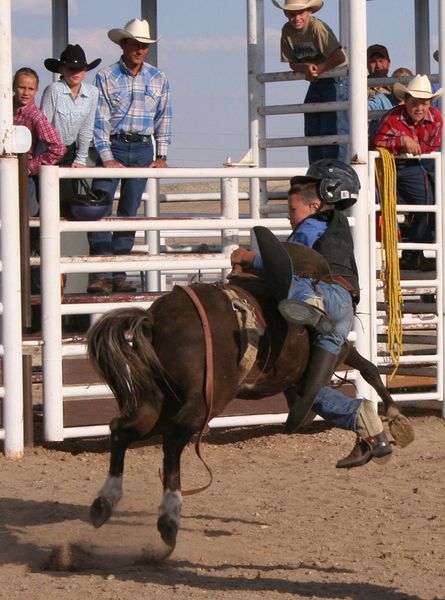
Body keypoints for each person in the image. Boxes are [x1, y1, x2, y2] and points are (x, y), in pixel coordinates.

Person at [230, 160, 393, 467]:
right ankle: (369, 430)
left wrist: (250, 258)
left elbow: (288, 264)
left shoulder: (315, 225)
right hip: (341, 315)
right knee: (308, 389)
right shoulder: (336, 226)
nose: (290, 218)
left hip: (328, 298)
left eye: (292, 210)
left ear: (319, 199)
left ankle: (309, 305)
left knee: (297, 283)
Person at [88, 18, 172, 294]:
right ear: (123, 44)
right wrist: (106, 154)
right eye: (135, 44)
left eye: (144, 46)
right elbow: (99, 120)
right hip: (113, 142)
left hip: (142, 147)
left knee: (129, 210)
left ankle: (119, 270)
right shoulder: (106, 76)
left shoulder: (158, 78)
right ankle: (101, 271)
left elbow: (163, 118)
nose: (139, 50)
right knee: (99, 206)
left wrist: (161, 154)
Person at [373, 74, 443, 271]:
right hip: (393, 168)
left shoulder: (436, 118)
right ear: (406, 101)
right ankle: (413, 251)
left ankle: (414, 251)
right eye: (415, 103)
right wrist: (402, 142)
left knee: (430, 200)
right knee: (425, 200)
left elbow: (432, 145)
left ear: (430, 103)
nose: (419, 108)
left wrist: (409, 146)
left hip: (415, 166)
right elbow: (377, 143)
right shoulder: (392, 117)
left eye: (424, 103)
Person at [272, 0, 348, 164]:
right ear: (286, 14)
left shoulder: (317, 27)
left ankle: (334, 170)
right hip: (316, 79)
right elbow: (292, 62)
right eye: (292, 13)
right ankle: (317, 172)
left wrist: (318, 69)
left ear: (310, 12)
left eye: (300, 12)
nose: (296, 17)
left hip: (335, 78)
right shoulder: (286, 31)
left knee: (332, 127)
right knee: (312, 128)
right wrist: (306, 67)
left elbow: (340, 57)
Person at [41, 44, 101, 218]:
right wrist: (51, 154)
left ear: (85, 70)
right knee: (48, 203)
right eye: (70, 68)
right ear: (62, 69)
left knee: (67, 204)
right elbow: (44, 124)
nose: (75, 72)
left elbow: (86, 127)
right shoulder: (54, 90)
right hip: (49, 152)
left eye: (80, 68)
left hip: (71, 152)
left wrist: (81, 157)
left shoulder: (92, 93)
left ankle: (43, 243)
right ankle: (36, 243)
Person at [12, 67, 65, 202]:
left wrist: (30, 167)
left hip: (22, 174)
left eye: (30, 89)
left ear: (36, 91)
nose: (25, 93)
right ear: (13, 86)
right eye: (22, 87)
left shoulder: (35, 116)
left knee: (19, 216)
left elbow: (58, 148)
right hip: (5, 168)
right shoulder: (5, 108)